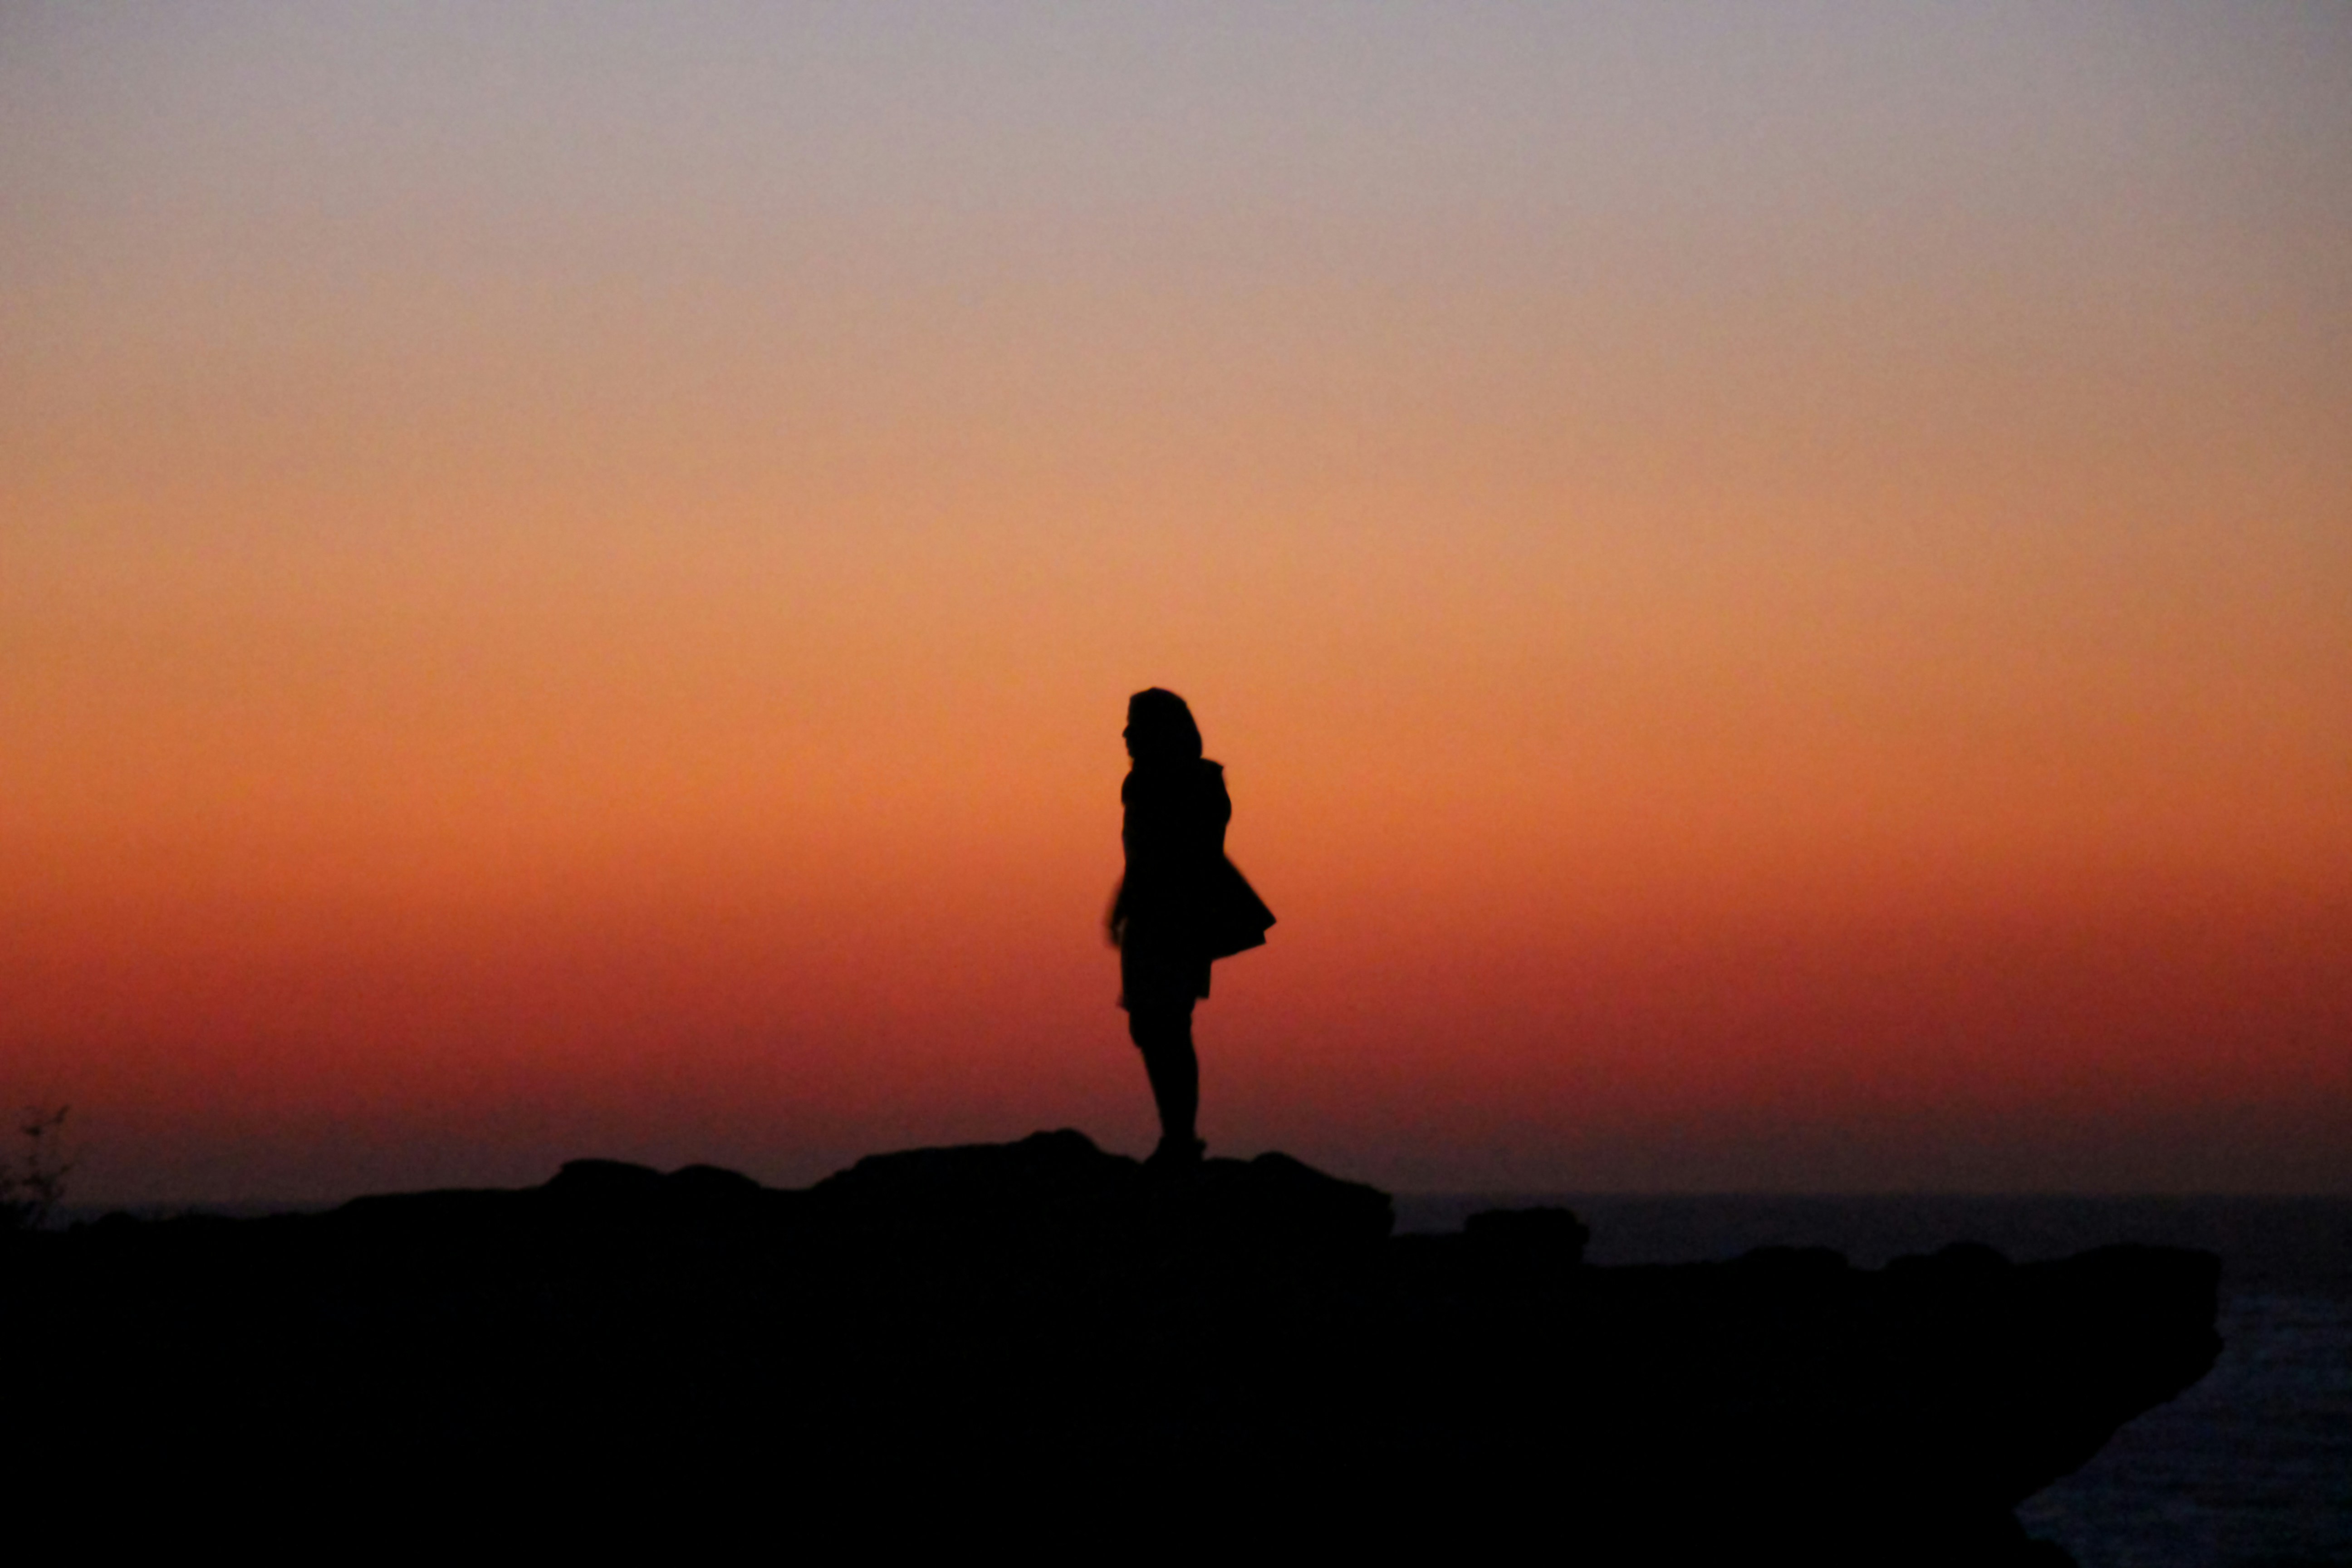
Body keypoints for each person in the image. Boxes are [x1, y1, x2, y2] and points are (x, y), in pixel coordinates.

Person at [1107, 688, 1275, 1167]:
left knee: (1167, 1024)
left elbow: (1189, 850)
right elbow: (1140, 854)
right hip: (1150, 918)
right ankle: (1178, 1136)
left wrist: (1140, 898)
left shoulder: (1195, 782)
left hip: (1176, 918)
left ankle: (1181, 1139)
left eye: (1136, 725)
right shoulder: (1141, 783)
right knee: (1152, 1025)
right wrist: (1123, 902)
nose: (1126, 735)